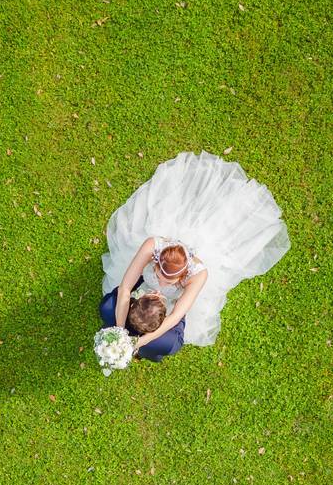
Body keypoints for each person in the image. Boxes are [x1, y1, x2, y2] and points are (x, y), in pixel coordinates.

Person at [100, 150, 290, 358]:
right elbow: (127, 286)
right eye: (159, 275)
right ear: (156, 261)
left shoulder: (199, 274)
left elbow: (173, 318)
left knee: (162, 343)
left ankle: (145, 339)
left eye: (168, 281)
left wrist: (138, 343)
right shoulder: (151, 246)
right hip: (143, 298)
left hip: (164, 308)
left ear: (182, 277)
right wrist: (119, 330)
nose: (161, 285)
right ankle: (130, 326)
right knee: (110, 309)